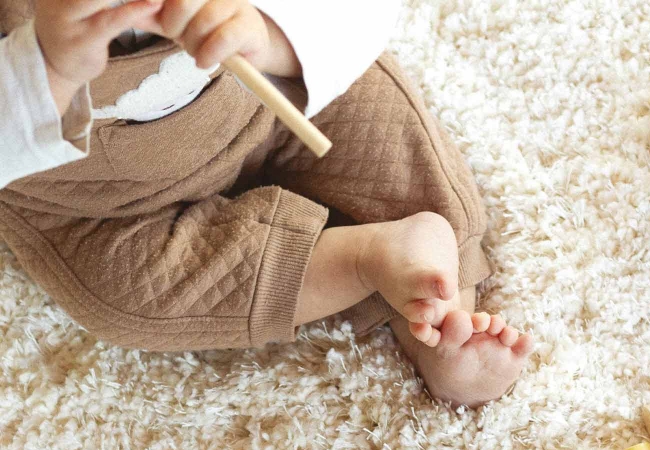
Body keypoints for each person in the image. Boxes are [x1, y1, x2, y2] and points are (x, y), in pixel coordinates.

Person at [0, 0, 533, 406]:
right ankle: (360, 258)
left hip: (269, 102)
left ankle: (442, 312)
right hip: (102, 198)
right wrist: (46, 70)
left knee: (384, 133)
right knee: (126, 289)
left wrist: (269, 34)